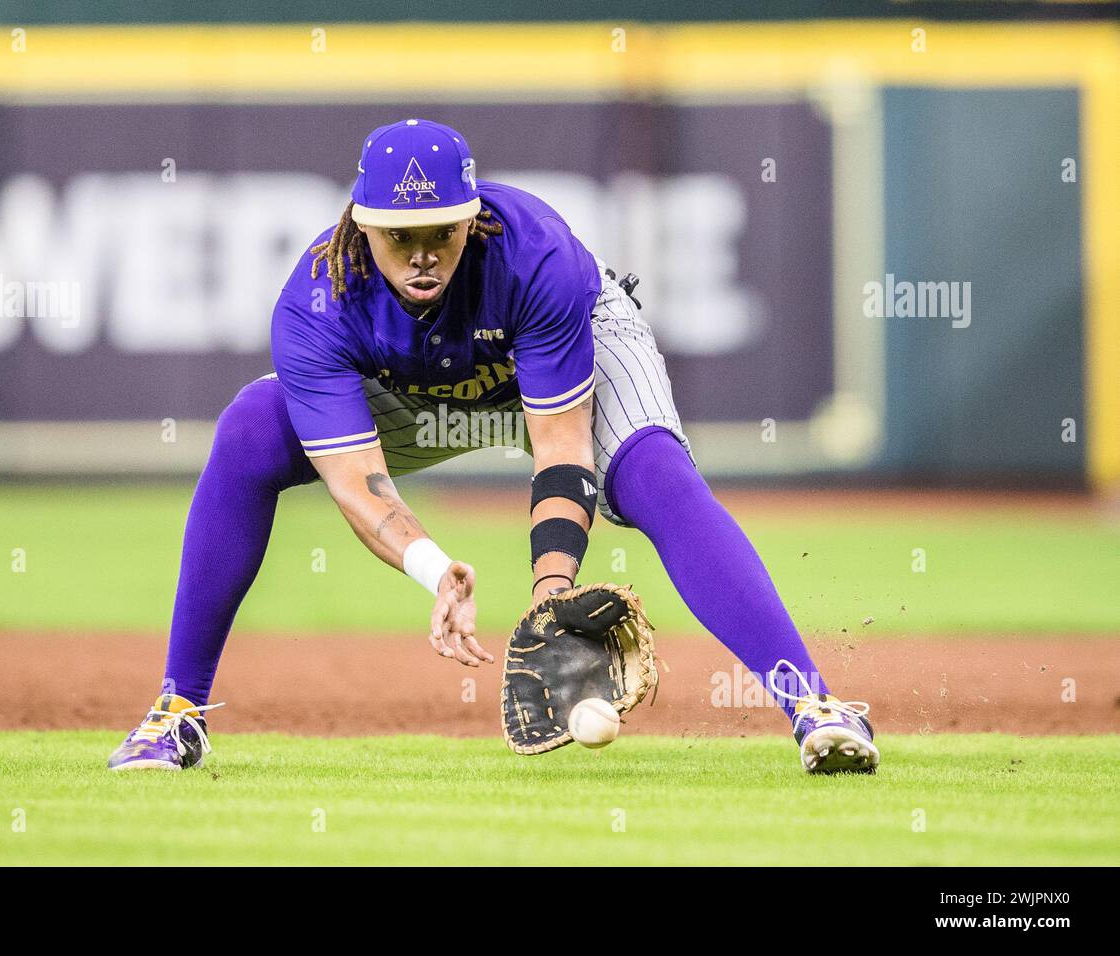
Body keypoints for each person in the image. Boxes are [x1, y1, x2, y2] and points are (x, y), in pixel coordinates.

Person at [107, 118, 879, 775]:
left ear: (473, 219)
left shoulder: (537, 259)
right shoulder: (319, 301)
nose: (420, 254)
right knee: (249, 429)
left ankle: (813, 706)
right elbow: (357, 482)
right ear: (361, 225)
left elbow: (560, 442)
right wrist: (437, 570)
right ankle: (178, 710)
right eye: (398, 235)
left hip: (550, 353)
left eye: (440, 230)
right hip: (416, 388)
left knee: (653, 472)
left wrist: (551, 588)